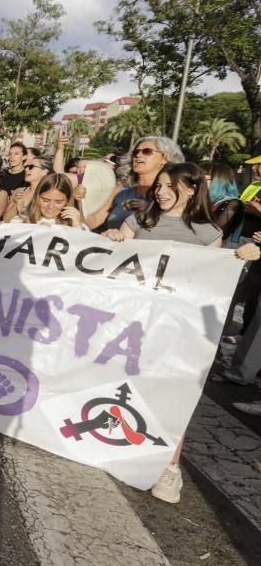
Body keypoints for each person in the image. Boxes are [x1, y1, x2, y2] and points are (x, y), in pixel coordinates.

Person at [101, 163, 247, 504]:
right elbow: (117, 254)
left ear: (193, 189)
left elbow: (215, 284)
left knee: (174, 391)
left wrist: (242, 258)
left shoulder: (207, 233)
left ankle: (171, 466)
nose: (161, 192)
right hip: (134, 320)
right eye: (160, 186)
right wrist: (115, 238)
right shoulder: (139, 221)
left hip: (178, 326)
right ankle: (113, 442)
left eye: (170, 186)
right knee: (126, 383)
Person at [87, 135, 183, 231]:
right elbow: (94, 222)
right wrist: (79, 200)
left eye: (147, 151)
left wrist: (149, 209)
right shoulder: (119, 190)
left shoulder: (173, 193)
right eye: (136, 152)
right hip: (114, 244)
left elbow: (178, 227)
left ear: (165, 158)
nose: (138, 155)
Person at [13, 173, 84, 228]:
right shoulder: (20, 220)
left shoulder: (75, 224)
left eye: (58, 202)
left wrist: (77, 227)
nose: (50, 206)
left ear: (67, 201)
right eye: (46, 200)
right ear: (37, 197)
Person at [1, 156, 53, 222]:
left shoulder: (50, 196)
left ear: (45, 171)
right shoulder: (19, 191)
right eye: (26, 167)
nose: (26, 169)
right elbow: (5, 220)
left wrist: (20, 210)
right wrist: (15, 205)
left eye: (31, 167)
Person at [203, 162, 244, 242]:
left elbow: (217, 234)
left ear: (218, 181)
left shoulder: (233, 203)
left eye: (202, 179)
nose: (195, 183)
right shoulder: (206, 201)